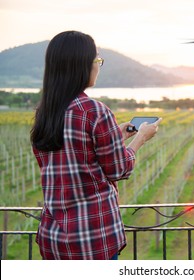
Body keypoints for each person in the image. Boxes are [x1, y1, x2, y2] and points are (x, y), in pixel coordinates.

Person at [30, 30, 161, 260]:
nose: (98, 66)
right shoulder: (94, 111)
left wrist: (115, 137)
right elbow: (118, 169)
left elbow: (75, 157)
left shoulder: (45, 113)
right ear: (82, 65)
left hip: (53, 237)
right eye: (97, 60)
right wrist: (141, 138)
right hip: (92, 237)